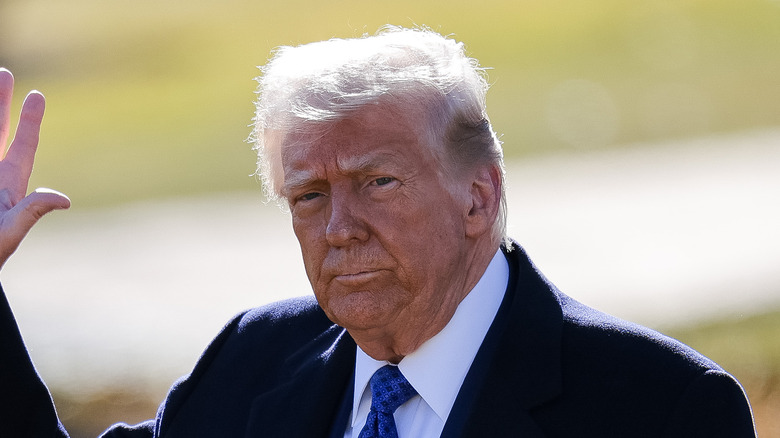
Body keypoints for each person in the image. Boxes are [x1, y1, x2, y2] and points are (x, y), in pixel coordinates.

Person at [0, 27, 756, 437]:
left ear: (478, 197)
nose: (339, 228)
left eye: (377, 184)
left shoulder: (662, 408)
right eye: (308, 194)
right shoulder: (252, 363)